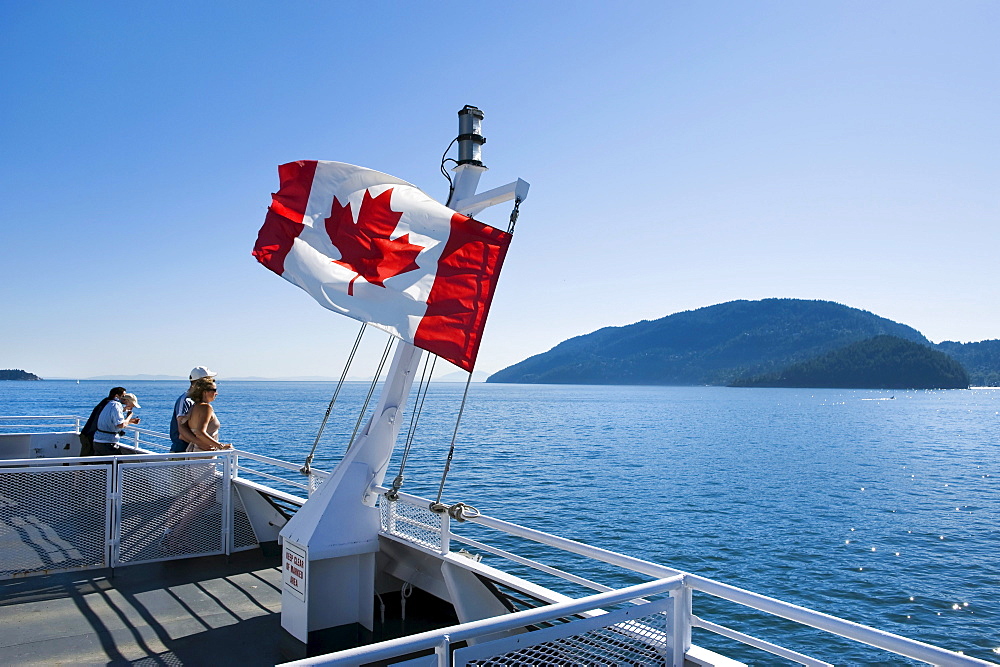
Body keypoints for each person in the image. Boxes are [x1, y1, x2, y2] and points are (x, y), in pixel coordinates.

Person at [169, 366, 217, 453]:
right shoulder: (186, 400)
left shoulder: (196, 400)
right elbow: (182, 427)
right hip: (183, 450)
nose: (211, 381)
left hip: (191, 449)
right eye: (209, 379)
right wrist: (200, 444)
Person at [185, 378, 232, 452]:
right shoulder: (206, 408)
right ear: (204, 392)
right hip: (204, 455)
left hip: (194, 452)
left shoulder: (194, 407)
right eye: (214, 390)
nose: (217, 393)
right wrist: (221, 446)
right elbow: (200, 432)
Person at [79, 386, 126, 456]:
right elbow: (119, 423)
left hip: (91, 434)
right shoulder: (114, 404)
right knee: (87, 457)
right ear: (116, 396)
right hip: (92, 436)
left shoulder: (105, 403)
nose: (124, 398)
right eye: (123, 396)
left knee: (92, 459)